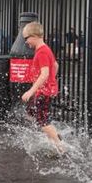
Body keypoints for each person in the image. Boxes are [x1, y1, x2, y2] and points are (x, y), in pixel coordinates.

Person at [21, 21, 64, 154]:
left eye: (26, 38)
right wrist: (51, 81)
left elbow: (44, 73)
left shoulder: (42, 52)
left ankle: (60, 146)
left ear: (34, 36)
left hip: (43, 92)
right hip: (45, 90)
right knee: (31, 113)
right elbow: (55, 66)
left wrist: (31, 91)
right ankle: (53, 135)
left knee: (42, 120)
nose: (26, 42)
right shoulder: (45, 50)